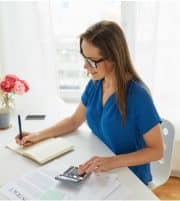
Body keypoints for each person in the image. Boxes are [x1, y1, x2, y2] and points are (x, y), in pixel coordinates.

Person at [16, 20, 164, 186]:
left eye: (92, 61)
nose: (85, 66)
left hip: (129, 177)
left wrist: (111, 162)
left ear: (113, 58)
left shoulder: (138, 96)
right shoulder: (96, 83)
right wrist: (37, 136)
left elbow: (157, 151)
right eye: (84, 58)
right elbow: (74, 121)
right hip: (100, 171)